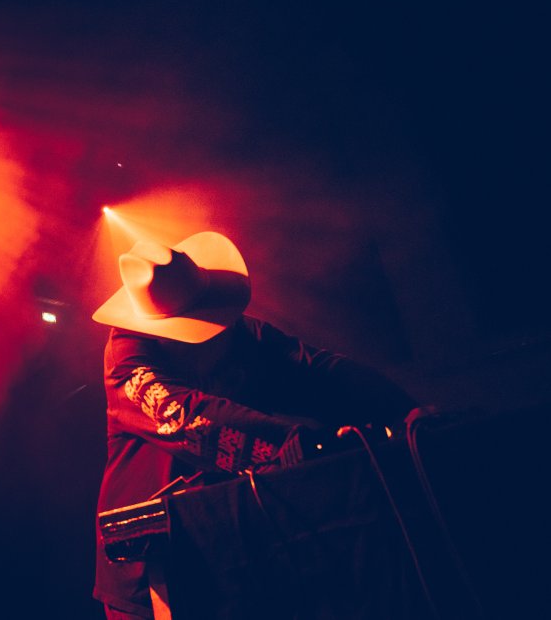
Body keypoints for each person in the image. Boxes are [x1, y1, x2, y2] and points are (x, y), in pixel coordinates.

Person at [90, 231, 417, 619]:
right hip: (153, 568)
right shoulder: (127, 358)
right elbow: (188, 415)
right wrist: (302, 445)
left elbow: (321, 370)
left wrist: (407, 412)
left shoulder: (243, 335)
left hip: (238, 549)